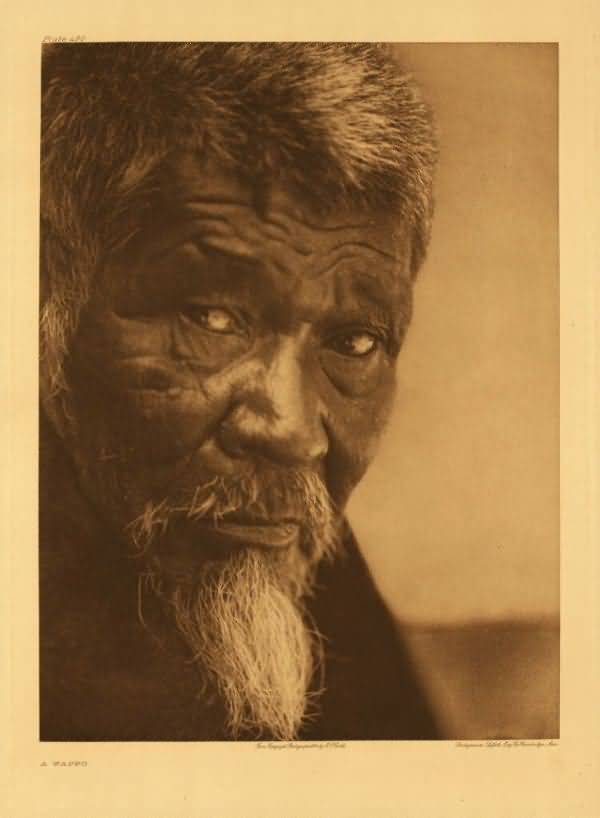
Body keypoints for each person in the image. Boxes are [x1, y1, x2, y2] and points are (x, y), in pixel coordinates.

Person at [39, 42, 439, 741]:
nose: (290, 430)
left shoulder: (255, 536)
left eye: (354, 343)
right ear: (44, 297)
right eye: (212, 318)